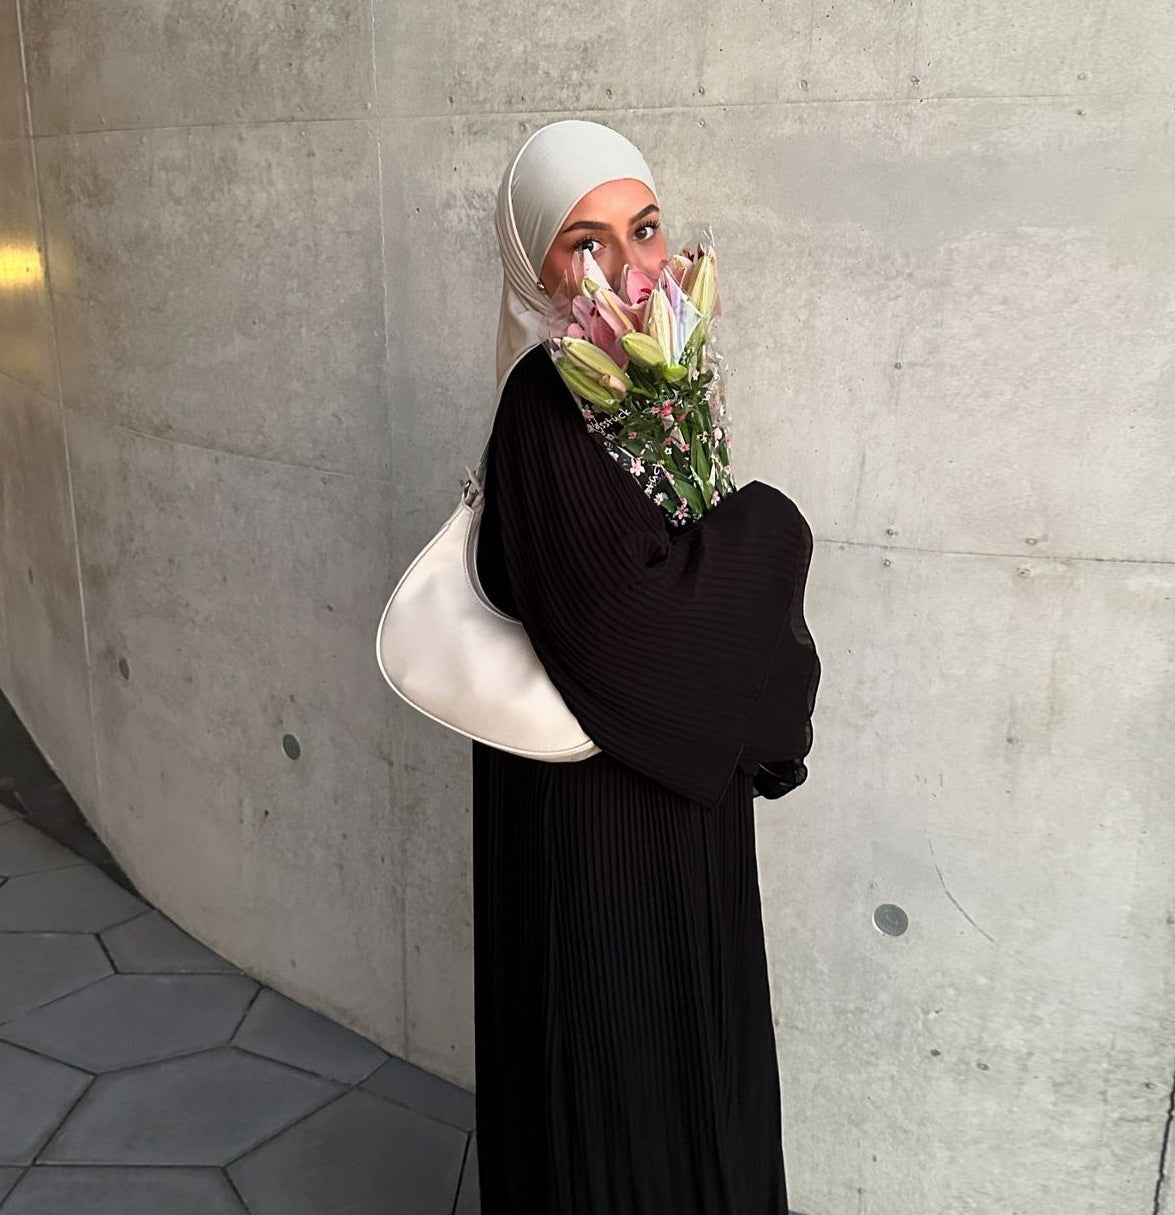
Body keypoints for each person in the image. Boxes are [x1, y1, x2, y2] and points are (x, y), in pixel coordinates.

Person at [472, 118, 821, 1214]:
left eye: (647, 228)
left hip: (686, 821)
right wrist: (768, 529)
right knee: (621, 1089)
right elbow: (628, 631)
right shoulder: (543, 406)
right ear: (533, 266)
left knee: (697, 1074)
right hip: (600, 838)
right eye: (586, 242)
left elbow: (710, 620)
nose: (630, 266)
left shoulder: (655, 389)